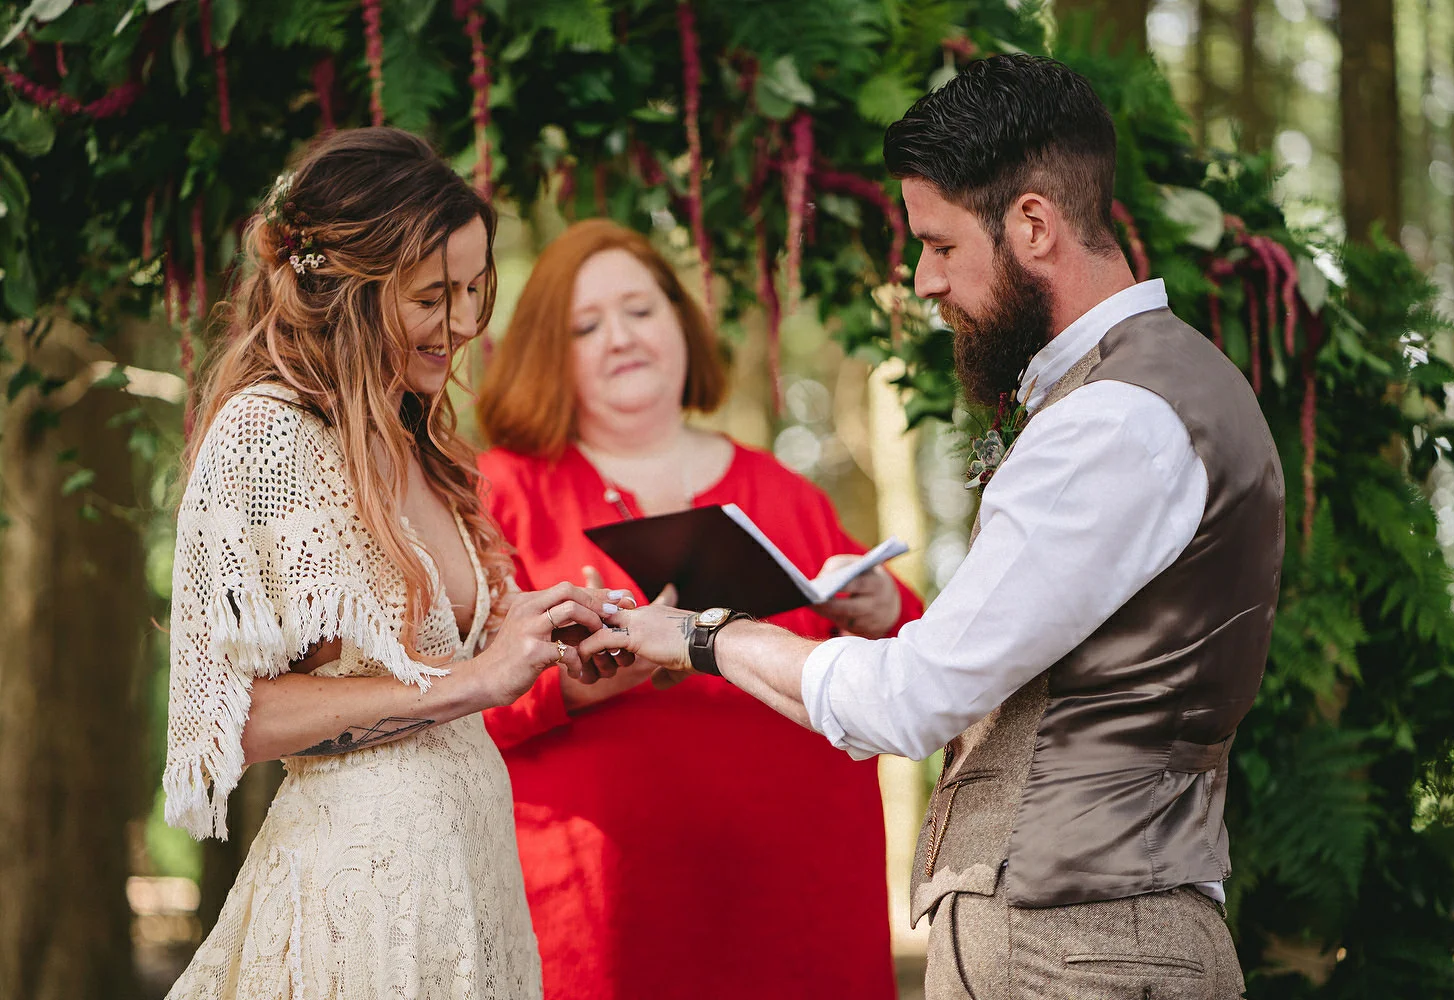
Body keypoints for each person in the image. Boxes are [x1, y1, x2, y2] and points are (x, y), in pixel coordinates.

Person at [585, 55, 1282, 1000]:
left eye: (942, 246)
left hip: (1075, 949)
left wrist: (704, 636)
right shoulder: (1165, 385)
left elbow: (910, 699)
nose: (923, 280)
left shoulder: (1111, 418)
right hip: (1101, 929)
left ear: (1033, 223)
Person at [161, 128, 622, 1000]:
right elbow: (239, 719)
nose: (460, 326)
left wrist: (537, 639)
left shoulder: (416, 438)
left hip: (468, 871)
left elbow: (440, 665)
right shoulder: (265, 438)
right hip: (358, 894)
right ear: (350, 291)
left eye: (474, 290)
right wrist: (476, 680)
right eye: (430, 298)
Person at [474, 218, 924, 1000]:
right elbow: (440, 701)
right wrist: (565, 688)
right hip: (592, 922)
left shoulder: (786, 492)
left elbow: (923, 666)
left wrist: (882, 606)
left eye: (640, 310)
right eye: (586, 325)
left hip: (797, 914)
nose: (620, 337)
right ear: (551, 352)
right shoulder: (498, 495)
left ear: (681, 323)